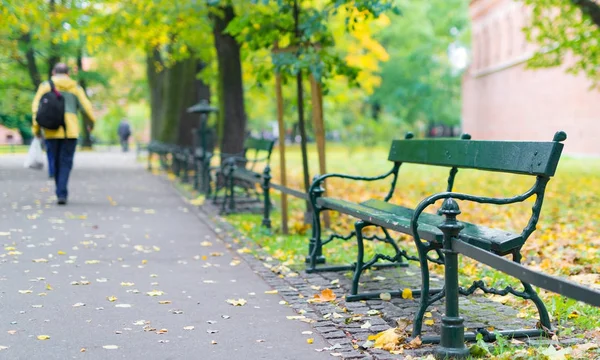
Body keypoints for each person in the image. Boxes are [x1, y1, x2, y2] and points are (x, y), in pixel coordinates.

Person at [32, 63, 96, 205]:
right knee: (66, 162)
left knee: (54, 160)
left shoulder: (45, 86)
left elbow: (36, 109)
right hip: (70, 131)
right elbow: (87, 108)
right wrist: (91, 124)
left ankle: (56, 181)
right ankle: (62, 192)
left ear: (54, 72)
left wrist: (36, 129)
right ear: (68, 73)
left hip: (50, 130)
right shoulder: (75, 88)